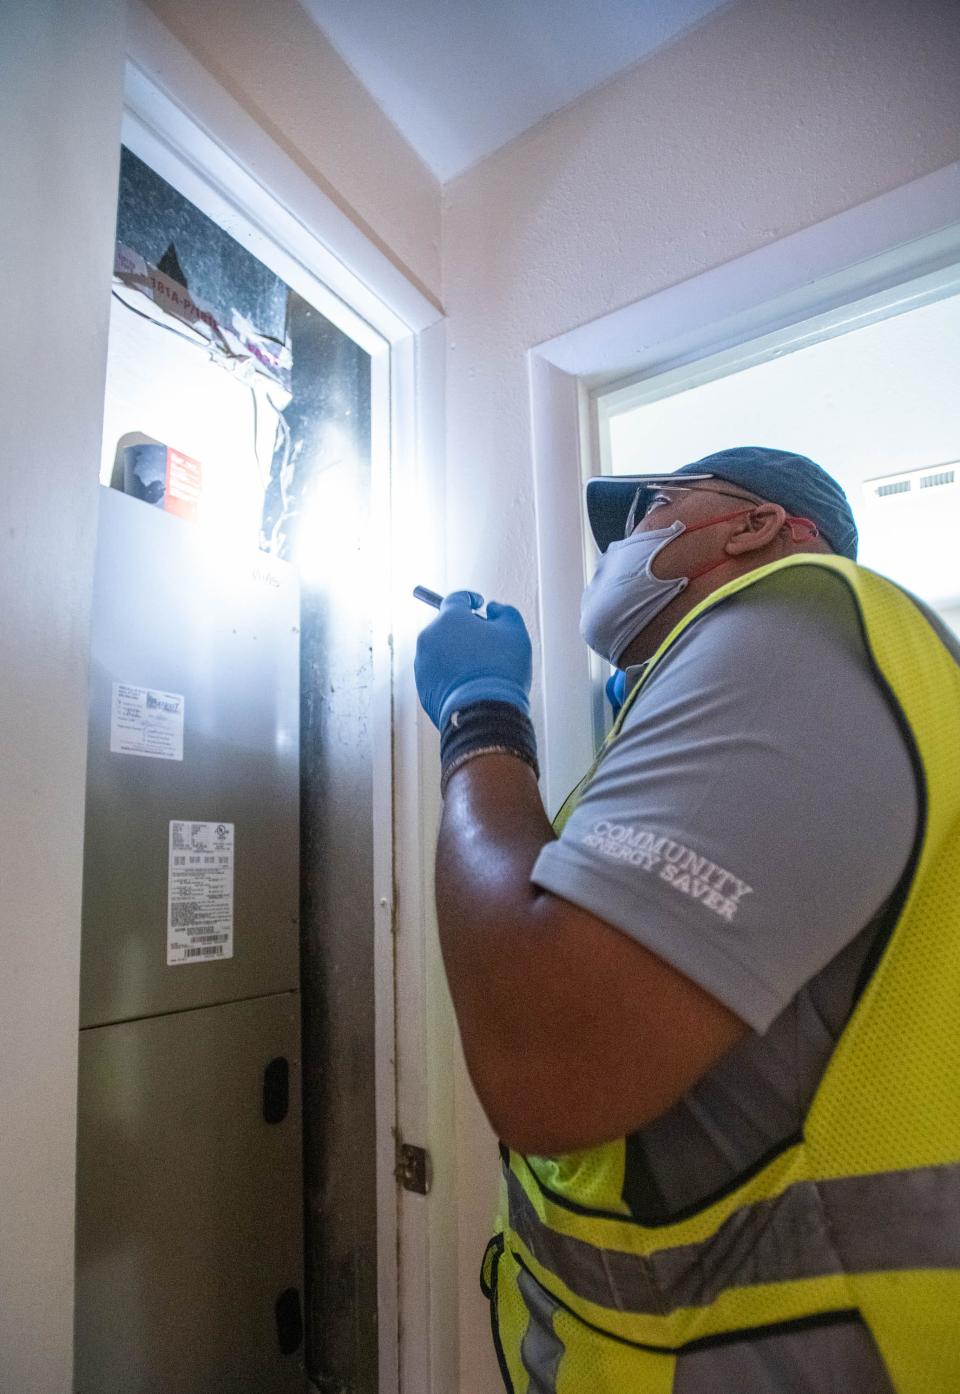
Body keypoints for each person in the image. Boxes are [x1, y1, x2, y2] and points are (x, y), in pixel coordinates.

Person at [414, 446, 960, 1392]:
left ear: (754, 527)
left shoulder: (805, 614)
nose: (622, 542)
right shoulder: (713, 706)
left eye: (652, 508)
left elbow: (548, 1058)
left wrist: (481, 717)